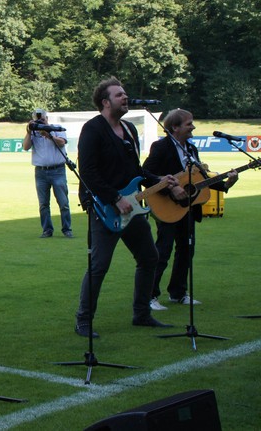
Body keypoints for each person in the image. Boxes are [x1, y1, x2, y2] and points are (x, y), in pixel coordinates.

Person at [74, 78, 180, 338]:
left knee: (149, 257)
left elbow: (136, 171)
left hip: (131, 207)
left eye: (125, 93)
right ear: (105, 102)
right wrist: (114, 198)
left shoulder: (130, 129)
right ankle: (83, 320)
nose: (125, 97)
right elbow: (87, 172)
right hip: (105, 209)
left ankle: (141, 314)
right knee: (99, 265)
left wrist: (159, 180)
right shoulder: (93, 129)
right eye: (119, 94)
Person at [143, 109, 238, 310]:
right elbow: (146, 174)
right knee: (163, 251)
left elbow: (200, 179)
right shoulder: (161, 147)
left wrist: (226, 184)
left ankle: (178, 293)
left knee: (186, 250)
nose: (193, 127)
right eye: (189, 124)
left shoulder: (191, 149)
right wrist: (171, 187)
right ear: (175, 127)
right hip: (166, 206)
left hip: (188, 209)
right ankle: (150, 296)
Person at [22, 108, 72, 238]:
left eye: (42, 119)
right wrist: (29, 131)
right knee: (43, 204)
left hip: (58, 170)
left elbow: (62, 143)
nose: (40, 121)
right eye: (37, 120)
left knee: (63, 202)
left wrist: (48, 134)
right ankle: (47, 230)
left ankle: (67, 229)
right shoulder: (34, 132)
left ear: (47, 118)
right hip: (41, 172)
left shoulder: (56, 128)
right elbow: (25, 147)